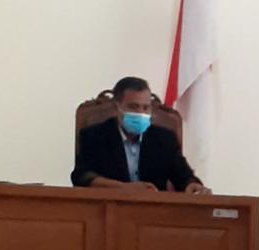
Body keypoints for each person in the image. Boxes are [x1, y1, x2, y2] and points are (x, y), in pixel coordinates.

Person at [72, 76, 208, 194]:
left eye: (145, 107)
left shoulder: (165, 139)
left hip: (154, 209)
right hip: (109, 207)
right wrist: (124, 188)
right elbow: (82, 176)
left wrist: (193, 185)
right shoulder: (94, 135)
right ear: (117, 106)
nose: (140, 113)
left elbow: (183, 176)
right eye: (133, 107)